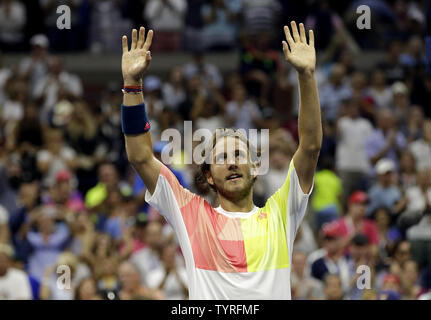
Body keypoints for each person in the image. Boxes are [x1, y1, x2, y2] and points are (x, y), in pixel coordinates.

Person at [120, 21, 321, 299]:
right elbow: (140, 156)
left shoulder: (281, 214)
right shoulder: (191, 215)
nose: (232, 162)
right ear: (210, 176)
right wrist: (132, 84)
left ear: (255, 167)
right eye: (222, 157)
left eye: (239, 154)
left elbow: (310, 147)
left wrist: (307, 76)